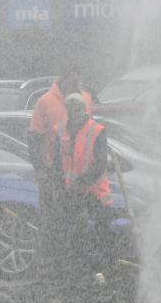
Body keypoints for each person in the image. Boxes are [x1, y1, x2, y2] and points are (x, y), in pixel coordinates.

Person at [46, 93, 114, 285]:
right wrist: (58, 186)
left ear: (84, 110)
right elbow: (57, 163)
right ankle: (78, 273)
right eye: (70, 108)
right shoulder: (60, 131)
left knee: (101, 234)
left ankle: (106, 271)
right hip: (72, 194)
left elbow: (100, 165)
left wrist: (81, 183)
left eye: (77, 107)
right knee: (75, 234)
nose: (74, 112)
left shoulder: (97, 131)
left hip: (95, 193)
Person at [28, 64, 93, 219]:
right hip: (53, 174)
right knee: (53, 221)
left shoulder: (86, 99)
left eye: (80, 75)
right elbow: (34, 137)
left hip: (78, 174)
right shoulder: (45, 101)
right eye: (74, 76)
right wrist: (40, 168)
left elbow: (89, 132)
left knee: (76, 222)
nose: (78, 81)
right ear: (64, 77)